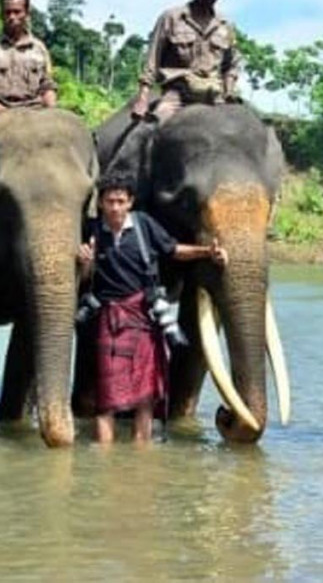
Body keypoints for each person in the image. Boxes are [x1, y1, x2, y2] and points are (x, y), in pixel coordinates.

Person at [76, 176, 227, 444]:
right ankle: (103, 459)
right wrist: (84, 261)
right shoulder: (92, 231)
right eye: (109, 201)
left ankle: (141, 456)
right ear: (100, 203)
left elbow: (173, 250)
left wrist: (207, 252)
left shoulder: (144, 226)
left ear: (130, 203)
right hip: (108, 319)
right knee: (106, 399)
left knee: (144, 399)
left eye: (121, 201)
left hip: (143, 317)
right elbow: (85, 277)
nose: (115, 208)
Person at [131, 0, 240, 123]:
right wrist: (143, 97)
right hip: (178, 95)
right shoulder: (172, 18)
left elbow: (232, 64)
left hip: (215, 97)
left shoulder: (225, 26)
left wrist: (229, 90)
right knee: (154, 126)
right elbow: (152, 60)